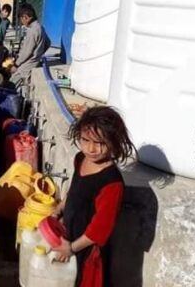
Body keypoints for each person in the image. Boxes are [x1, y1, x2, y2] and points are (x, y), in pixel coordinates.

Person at [51, 106, 136, 287]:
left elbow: (99, 229)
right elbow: (74, 191)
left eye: (100, 143)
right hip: (69, 236)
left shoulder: (111, 183)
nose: (91, 148)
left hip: (87, 250)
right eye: (85, 140)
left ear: (114, 142)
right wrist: (58, 210)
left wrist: (71, 249)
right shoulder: (80, 159)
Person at [9, 3, 51, 90]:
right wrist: (38, 53)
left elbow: (26, 52)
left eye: (21, 19)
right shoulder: (40, 27)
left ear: (25, 17)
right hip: (35, 61)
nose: (22, 22)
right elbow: (48, 43)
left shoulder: (32, 31)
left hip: (27, 65)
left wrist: (16, 65)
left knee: (12, 83)